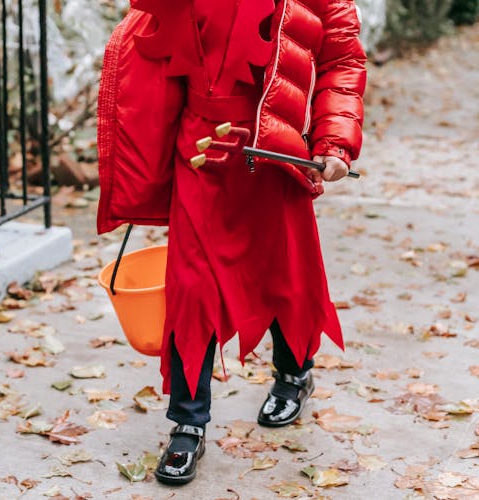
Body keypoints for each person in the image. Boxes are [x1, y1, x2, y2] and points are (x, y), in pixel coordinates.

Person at [97, 0, 366, 486]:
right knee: (190, 285)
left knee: (285, 272)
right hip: (198, 154)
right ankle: (188, 423)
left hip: (274, 151)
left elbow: (342, 60)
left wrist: (334, 141)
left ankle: (293, 375)